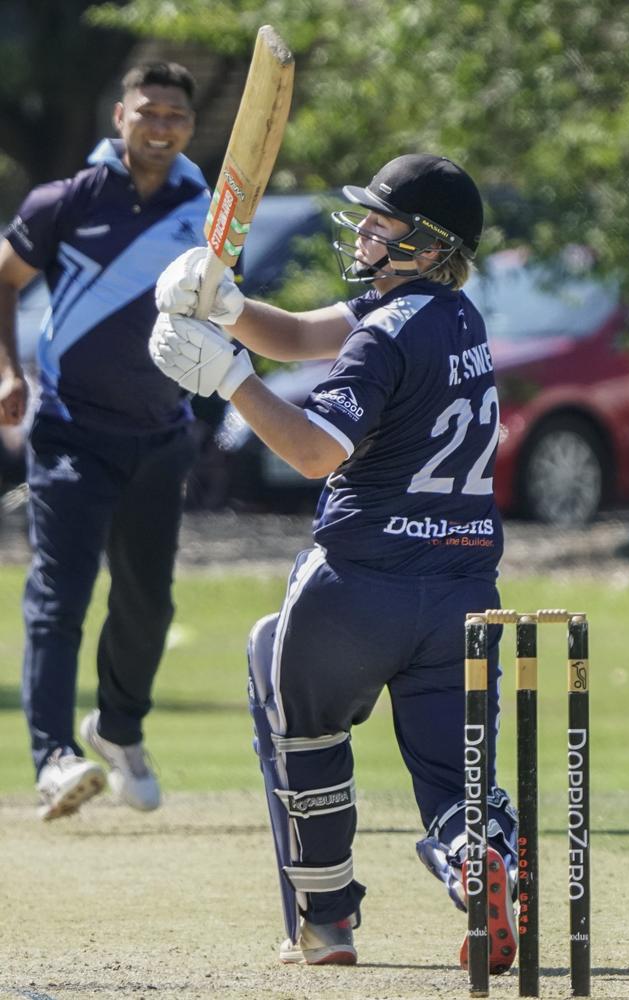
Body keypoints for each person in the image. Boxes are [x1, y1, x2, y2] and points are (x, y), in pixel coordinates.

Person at [150, 153, 518, 973]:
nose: (368, 231)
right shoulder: (458, 316)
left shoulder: (382, 338)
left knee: (291, 706)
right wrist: (233, 308)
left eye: (385, 223)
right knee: (453, 773)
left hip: (358, 582)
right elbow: (310, 332)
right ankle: (481, 863)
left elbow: (316, 452)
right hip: (462, 588)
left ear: (425, 244)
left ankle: (325, 926)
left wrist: (230, 379)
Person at [0, 61, 210, 821]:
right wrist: (7, 373)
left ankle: (118, 730)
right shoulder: (66, 201)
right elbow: (4, 278)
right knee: (59, 597)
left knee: (148, 603)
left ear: (189, 125)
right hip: (68, 432)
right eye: (148, 111)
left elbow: (223, 307)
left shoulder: (209, 209)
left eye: (174, 116)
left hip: (162, 435)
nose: (161, 126)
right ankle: (55, 758)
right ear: (119, 115)